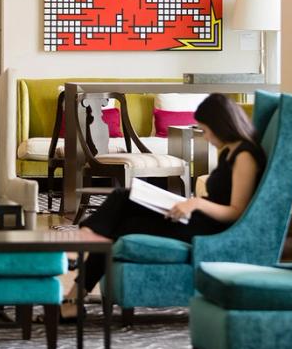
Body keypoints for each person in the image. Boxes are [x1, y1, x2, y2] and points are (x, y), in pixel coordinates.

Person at [69, 93, 267, 318]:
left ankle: (80, 258)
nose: (206, 137)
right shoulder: (230, 151)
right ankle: (75, 290)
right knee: (123, 198)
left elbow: (236, 212)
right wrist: (191, 204)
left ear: (221, 124)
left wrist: (196, 203)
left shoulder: (245, 155)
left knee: (119, 221)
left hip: (209, 229)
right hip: (198, 218)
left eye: (206, 130)